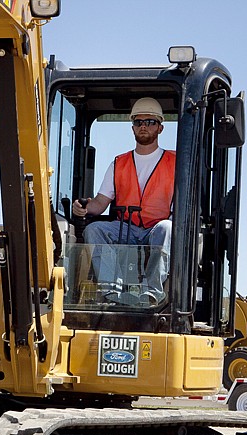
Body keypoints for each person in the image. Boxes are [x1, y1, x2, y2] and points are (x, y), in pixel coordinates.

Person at [72, 97, 175, 306]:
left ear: (160, 128)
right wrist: (83, 208)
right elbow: (101, 202)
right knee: (95, 229)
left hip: (155, 229)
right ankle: (112, 292)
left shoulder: (175, 162)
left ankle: (151, 293)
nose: (144, 126)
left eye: (150, 122)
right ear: (132, 128)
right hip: (125, 229)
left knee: (168, 228)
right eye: (138, 122)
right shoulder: (119, 163)